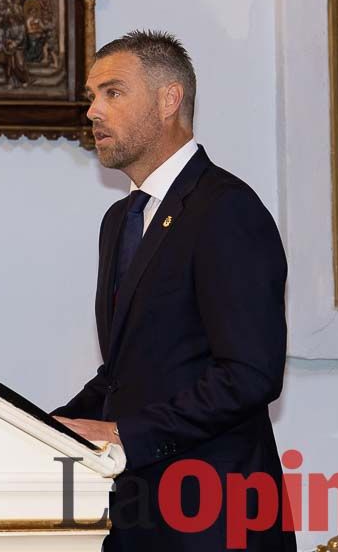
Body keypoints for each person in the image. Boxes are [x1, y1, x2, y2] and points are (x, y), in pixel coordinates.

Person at [53, 31, 294, 551]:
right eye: (91, 97)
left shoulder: (226, 209)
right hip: (139, 516)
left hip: (215, 519)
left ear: (169, 100)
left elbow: (249, 375)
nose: (93, 111)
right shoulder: (120, 220)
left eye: (112, 93)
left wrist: (122, 434)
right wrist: (44, 428)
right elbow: (124, 376)